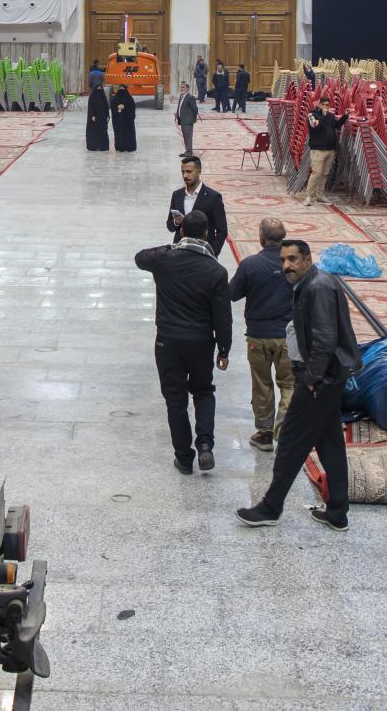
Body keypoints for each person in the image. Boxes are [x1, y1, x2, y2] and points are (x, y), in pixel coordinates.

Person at [237, 238, 361, 531]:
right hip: (329, 378)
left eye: (292, 259)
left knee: (291, 441)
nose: (286, 266)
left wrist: (310, 380)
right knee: (330, 444)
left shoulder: (318, 288)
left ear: (307, 259)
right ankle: (338, 511)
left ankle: (270, 507)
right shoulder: (314, 283)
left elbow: (324, 340)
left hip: (320, 380)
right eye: (283, 260)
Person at [134, 210, 232, 474]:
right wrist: (224, 349)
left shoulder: (164, 260)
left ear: (181, 232)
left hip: (168, 341)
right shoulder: (216, 271)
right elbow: (223, 317)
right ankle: (205, 445)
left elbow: (140, 257)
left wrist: (171, 246)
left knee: (175, 400)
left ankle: (184, 457)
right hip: (201, 342)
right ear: (206, 234)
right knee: (203, 391)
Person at [228, 218, 295, 451]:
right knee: (289, 384)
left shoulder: (250, 265)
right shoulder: (295, 265)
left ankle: (265, 433)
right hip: (289, 336)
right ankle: (285, 430)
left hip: (258, 336)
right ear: (284, 238)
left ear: (261, 238)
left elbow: (232, 294)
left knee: (262, 383)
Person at [166, 154, 228, 256]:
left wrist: (212, 253)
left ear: (199, 171)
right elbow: (170, 226)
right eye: (183, 172)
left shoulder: (213, 197)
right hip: (179, 254)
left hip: (203, 255)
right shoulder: (177, 195)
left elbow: (222, 231)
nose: (185, 176)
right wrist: (176, 222)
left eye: (189, 171)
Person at [302, 94, 347, 205]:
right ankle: (309, 196)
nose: (326, 107)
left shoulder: (330, 116)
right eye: (324, 105)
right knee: (316, 173)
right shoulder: (312, 115)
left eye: (327, 105)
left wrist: (345, 116)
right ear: (319, 105)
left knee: (325, 174)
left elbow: (337, 125)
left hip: (330, 149)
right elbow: (314, 127)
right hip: (318, 149)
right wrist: (323, 116)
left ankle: (320, 195)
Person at [173, 81, 199, 155]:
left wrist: (192, 118)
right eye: (181, 87)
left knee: (188, 136)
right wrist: (177, 114)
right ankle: (187, 151)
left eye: (183, 87)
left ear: (187, 88)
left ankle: (189, 152)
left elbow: (195, 109)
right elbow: (180, 107)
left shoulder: (190, 97)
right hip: (183, 120)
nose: (182, 89)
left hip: (188, 121)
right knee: (185, 136)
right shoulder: (182, 96)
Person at [111, 84, 137, 152]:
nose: (122, 91)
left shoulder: (130, 99)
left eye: (123, 89)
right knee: (119, 134)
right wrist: (117, 107)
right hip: (118, 122)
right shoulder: (115, 99)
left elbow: (132, 108)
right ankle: (120, 146)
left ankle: (129, 146)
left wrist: (125, 107)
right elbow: (113, 108)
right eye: (120, 89)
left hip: (127, 121)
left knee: (128, 134)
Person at [86, 81, 110, 151]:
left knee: (102, 132)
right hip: (94, 118)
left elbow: (106, 107)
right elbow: (90, 107)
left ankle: (103, 146)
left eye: (100, 89)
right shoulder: (92, 97)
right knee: (94, 132)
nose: (99, 91)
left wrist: (108, 115)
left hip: (102, 117)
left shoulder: (103, 97)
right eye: (98, 89)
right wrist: (92, 115)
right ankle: (94, 146)